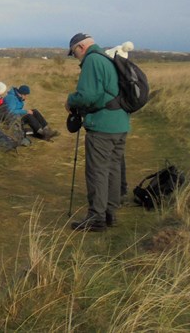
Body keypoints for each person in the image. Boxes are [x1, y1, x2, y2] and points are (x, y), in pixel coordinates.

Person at [66, 33, 130, 232]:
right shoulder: (107, 58)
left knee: (97, 172)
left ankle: (96, 218)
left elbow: (88, 95)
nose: (76, 57)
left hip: (103, 126)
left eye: (74, 53)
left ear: (80, 47)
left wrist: (70, 101)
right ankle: (110, 213)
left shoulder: (92, 60)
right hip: (120, 124)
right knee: (113, 168)